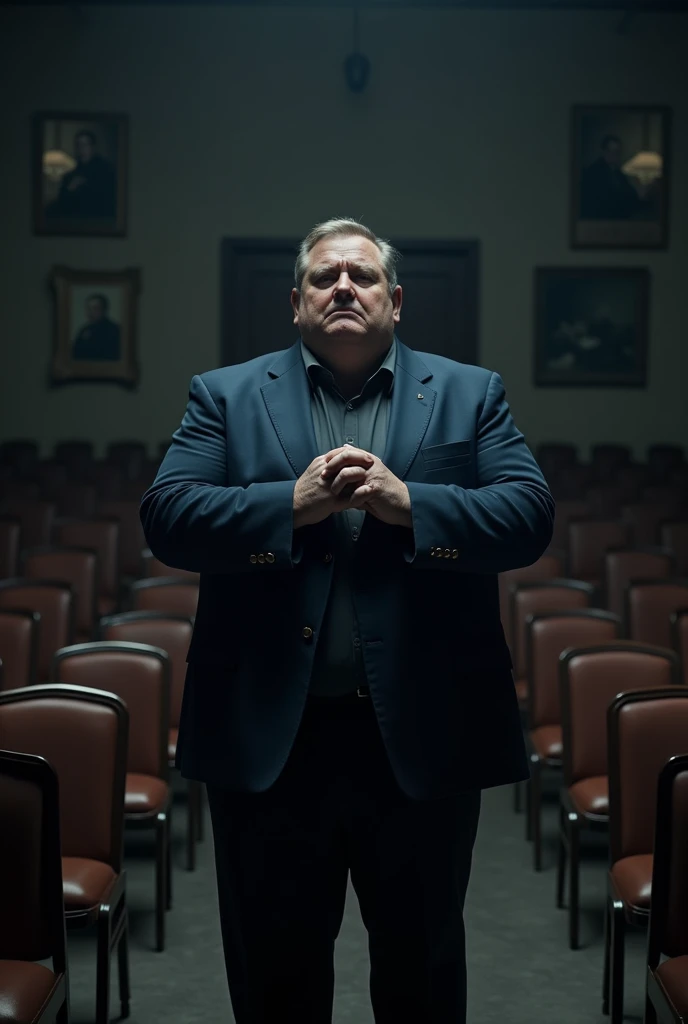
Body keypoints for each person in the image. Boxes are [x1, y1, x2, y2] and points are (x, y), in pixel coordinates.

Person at [140, 217, 554, 1024]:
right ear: (295, 303)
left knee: (422, 975)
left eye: (361, 277)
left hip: (421, 741)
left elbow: (529, 516)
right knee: (276, 980)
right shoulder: (224, 394)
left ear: (394, 302)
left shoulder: (472, 392)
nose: (342, 288)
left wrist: (412, 506)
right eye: (324, 277)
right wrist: (287, 508)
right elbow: (168, 517)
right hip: (271, 745)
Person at [45, 129, 116, 219]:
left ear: (93, 147)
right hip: (73, 215)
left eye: (85, 145)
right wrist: (71, 187)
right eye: (78, 145)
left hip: (97, 215)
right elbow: (62, 198)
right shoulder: (71, 171)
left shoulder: (105, 169)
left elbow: (107, 197)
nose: (81, 148)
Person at [580, 133, 648, 220]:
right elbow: (604, 200)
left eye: (617, 152)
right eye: (610, 151)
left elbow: (628, 194)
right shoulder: (594, 172)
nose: (613, 155)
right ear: (603, 151)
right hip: (601, 221)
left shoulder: (618, 174)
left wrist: (639, 194)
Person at [72, 294, 121, 361]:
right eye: (88, 308)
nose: (91, 312)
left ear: (104, 309)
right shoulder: (84, 330)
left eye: (95, 308)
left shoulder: (114, 330)